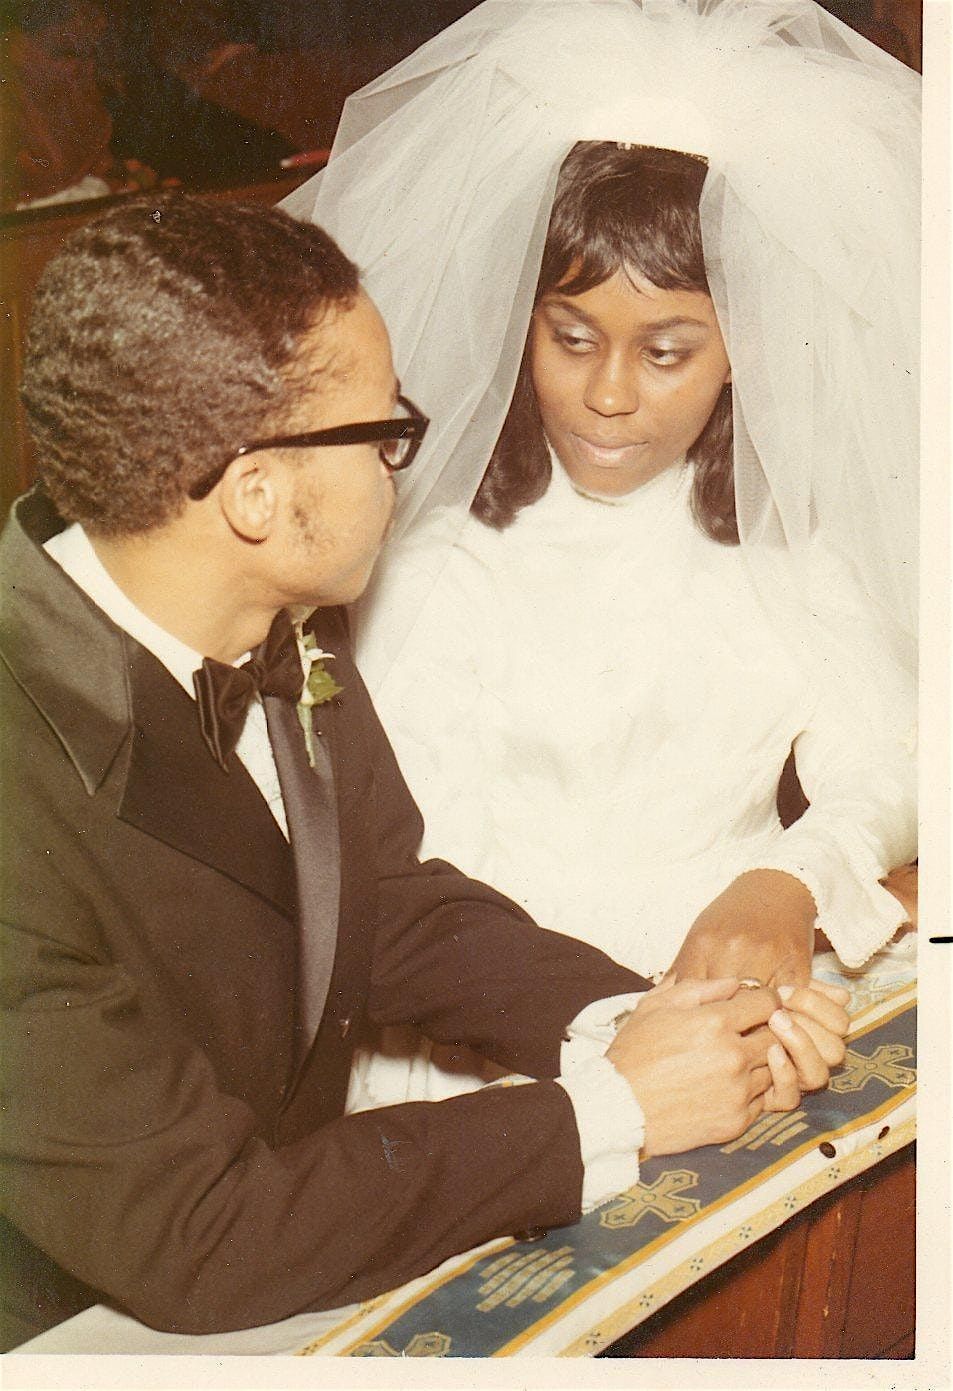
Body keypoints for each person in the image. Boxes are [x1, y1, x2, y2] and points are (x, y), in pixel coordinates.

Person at [0, 194, 848, 1350]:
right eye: (383, 431)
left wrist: (643, 1017)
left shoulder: (258, 605)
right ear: (257, 496)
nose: (404, 463)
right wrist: (608, 1108)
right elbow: (199, 1233)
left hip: (297, 1230)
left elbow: (383, 898)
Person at [282, 0, 918, 1108]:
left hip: (720, 994)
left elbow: (898, 760)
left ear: (743, 346)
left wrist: (786, 877)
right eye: (570, 338)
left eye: (666, 353)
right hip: (482, 1022)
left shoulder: (787, 547)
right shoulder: (427, 555)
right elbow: (404, 874)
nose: (608, 395)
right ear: (517, 318)